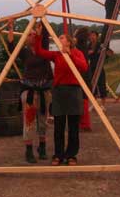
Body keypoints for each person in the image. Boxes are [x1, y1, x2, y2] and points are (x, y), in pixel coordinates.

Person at [34, 22, 88, 166]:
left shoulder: (77, 53)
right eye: (59, 38)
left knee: (73, 127)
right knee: (59, 126)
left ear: (69, 42)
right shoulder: (56, 55)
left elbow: (84, 67)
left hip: (74, 91)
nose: (59, 40)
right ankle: (58, 155)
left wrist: (70, 55)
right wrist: (38, 37)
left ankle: (71, 155)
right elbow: (39, 52)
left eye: (62, 37)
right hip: (59, 92)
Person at [7, 19, 53, 163]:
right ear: (26, 38)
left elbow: (44, 35)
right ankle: (28, 151)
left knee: (43, 121)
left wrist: (40, 20)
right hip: (30, 91)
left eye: (34, 34)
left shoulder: (44, 49)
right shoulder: (25, 52)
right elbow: (11, 46)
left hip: (44, 90)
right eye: (30, 35)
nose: (32, 36)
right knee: (29, 121)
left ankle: (42, 147)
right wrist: (10, 28)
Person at [74, 27, 92, 131]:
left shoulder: (79, 47)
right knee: (83, 98)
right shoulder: (84, 46)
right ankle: (84, 122)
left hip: (81, 75)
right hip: (85, 74)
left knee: (82, 99)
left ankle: (85, 123)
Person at [88, 31, 107, 110]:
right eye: (91, 35)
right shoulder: (88, 45)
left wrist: (102, 51)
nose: (92, 37)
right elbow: (86, 54)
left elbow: (107, 53)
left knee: (101, 85)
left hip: (99, 67)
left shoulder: (100, 45)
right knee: (92, 86)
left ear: (97, 36)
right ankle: (94, 103)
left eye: (93, 35)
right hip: (92, 67)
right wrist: (89, 52)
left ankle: (103, 105)